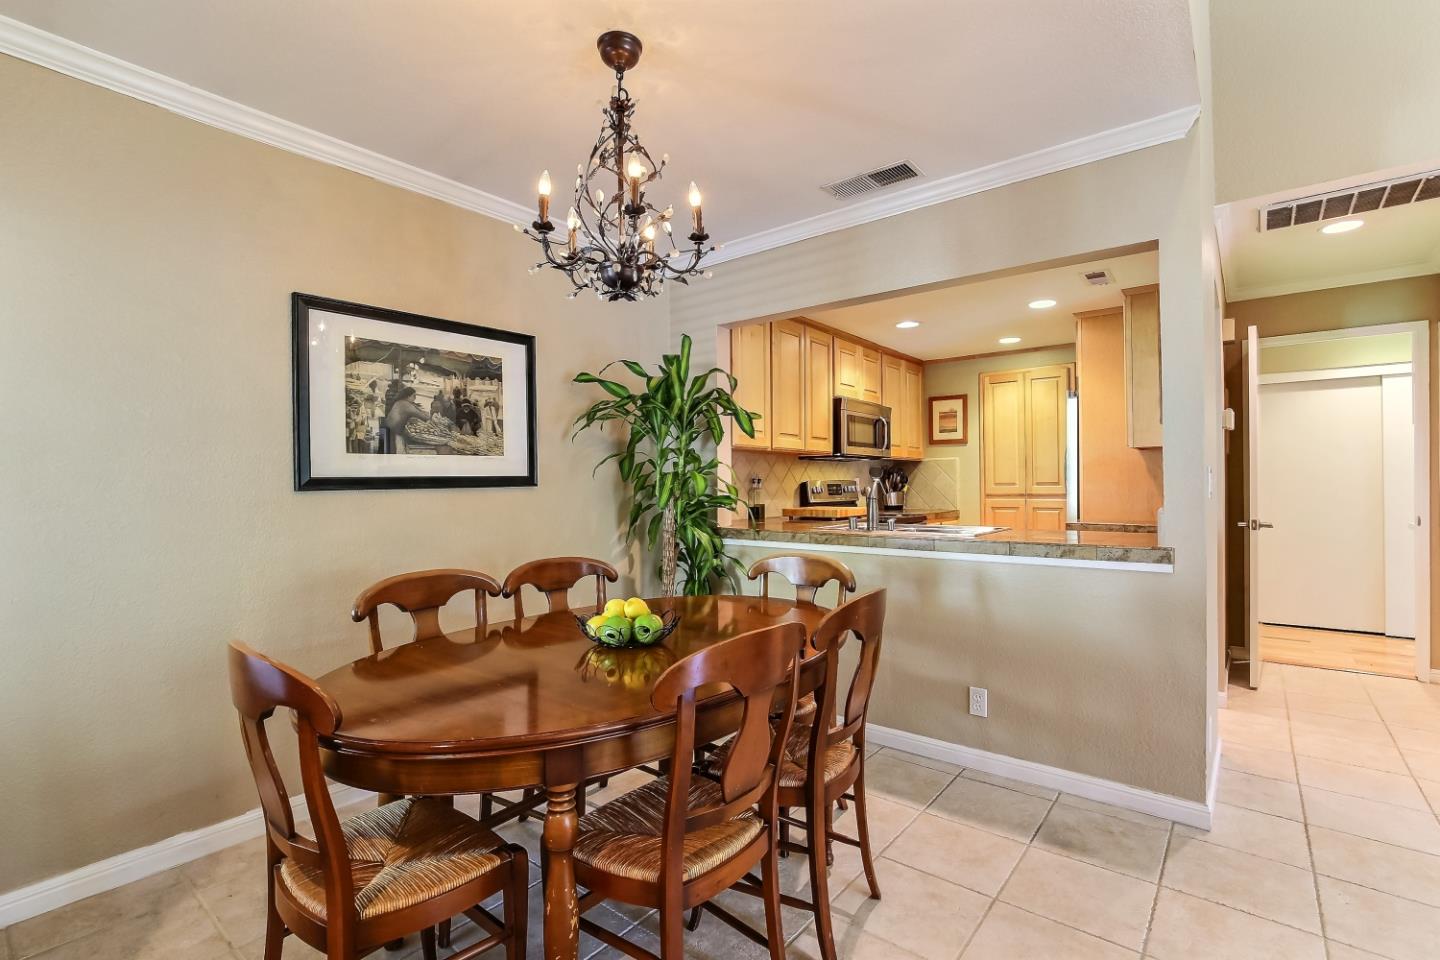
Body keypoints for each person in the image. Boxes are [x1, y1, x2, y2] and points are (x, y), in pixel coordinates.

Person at [382, 386, 429, 454]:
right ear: (408, 396)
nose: (415, 398)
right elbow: (423, 417)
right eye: (414, 396)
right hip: (393, 433)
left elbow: (415, 410)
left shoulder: (399, 402)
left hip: (388, 430)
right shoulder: (406, 405)